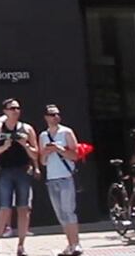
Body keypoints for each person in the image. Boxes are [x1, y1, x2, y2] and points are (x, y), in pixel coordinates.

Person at [0, 100, 38, 256]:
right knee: (4, 208)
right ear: (5, 111)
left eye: (18, 108)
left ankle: (21, 245)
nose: (15, 111)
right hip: (5, 172)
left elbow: (35, 153)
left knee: (23, 208)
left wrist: (25, 145)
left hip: (23, 171)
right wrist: (4, 147)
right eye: (12, 108)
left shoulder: (27, 129)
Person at [38, 105, 82, 256]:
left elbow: (75, 155)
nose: (55, 117)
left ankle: (76, 244)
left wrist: (60, 149)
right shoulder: (43, 136)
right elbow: (43, 162)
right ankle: (69, 244)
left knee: (69, 211)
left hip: (66, 177)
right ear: (46, 117)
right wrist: (46, 152)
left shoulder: (66, 132)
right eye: (52, 114)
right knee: (61, 215)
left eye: (57, 114)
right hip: (51, 178)